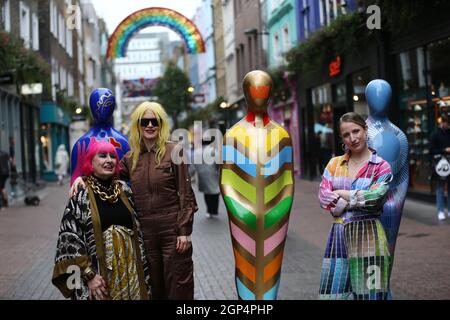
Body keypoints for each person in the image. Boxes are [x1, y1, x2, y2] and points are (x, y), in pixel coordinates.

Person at [71, 101, 198, 300]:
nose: (149, 125)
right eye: (144, 121)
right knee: (152, 287)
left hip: (172, 231)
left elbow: (186, 193)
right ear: (137, 125)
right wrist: (83, 177)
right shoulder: (131, 158)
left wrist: (184, 231)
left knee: (178, 286)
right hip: (145, 234)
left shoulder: (175, 151)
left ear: (161, 124)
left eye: (154, 121)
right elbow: (107, 175)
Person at [52, 140, 151, 300]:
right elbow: (69, 239)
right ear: (91, 161)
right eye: (102, 155)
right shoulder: (81, 194)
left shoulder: (125, 191)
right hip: (98, 280)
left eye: (112, 156)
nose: (109, 160)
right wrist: (88, 275)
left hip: (132, 277)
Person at [318, 112, 393, 300]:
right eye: (346, 134)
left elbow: (375, 198)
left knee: (370, 295)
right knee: (333, 295)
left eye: (356, 131)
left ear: (365, 130)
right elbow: (324, 198)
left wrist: (342, 195)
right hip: (339, 237)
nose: (352, 138)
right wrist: (358, 200)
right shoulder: (334, 164)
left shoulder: (381, 167)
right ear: (341, 138)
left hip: (369, 237)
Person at [193, 138, 220, 218]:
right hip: (213, 174)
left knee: (206, 192)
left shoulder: (197, 152)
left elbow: (193, 165)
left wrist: (191, 174)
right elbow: (219, 163)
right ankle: (214, 210)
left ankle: (209, 210)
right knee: (215, 191)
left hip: (202, 175)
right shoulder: (214, 151)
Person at [430, 114, 450, 221]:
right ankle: (441, 211)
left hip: (449, 162)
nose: (447, 126)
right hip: (440, 164)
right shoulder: (435, 134)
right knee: (440, 188)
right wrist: (444, 150)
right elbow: (431, 150)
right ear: (442, 123)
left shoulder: (449, 133)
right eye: (446, 123)